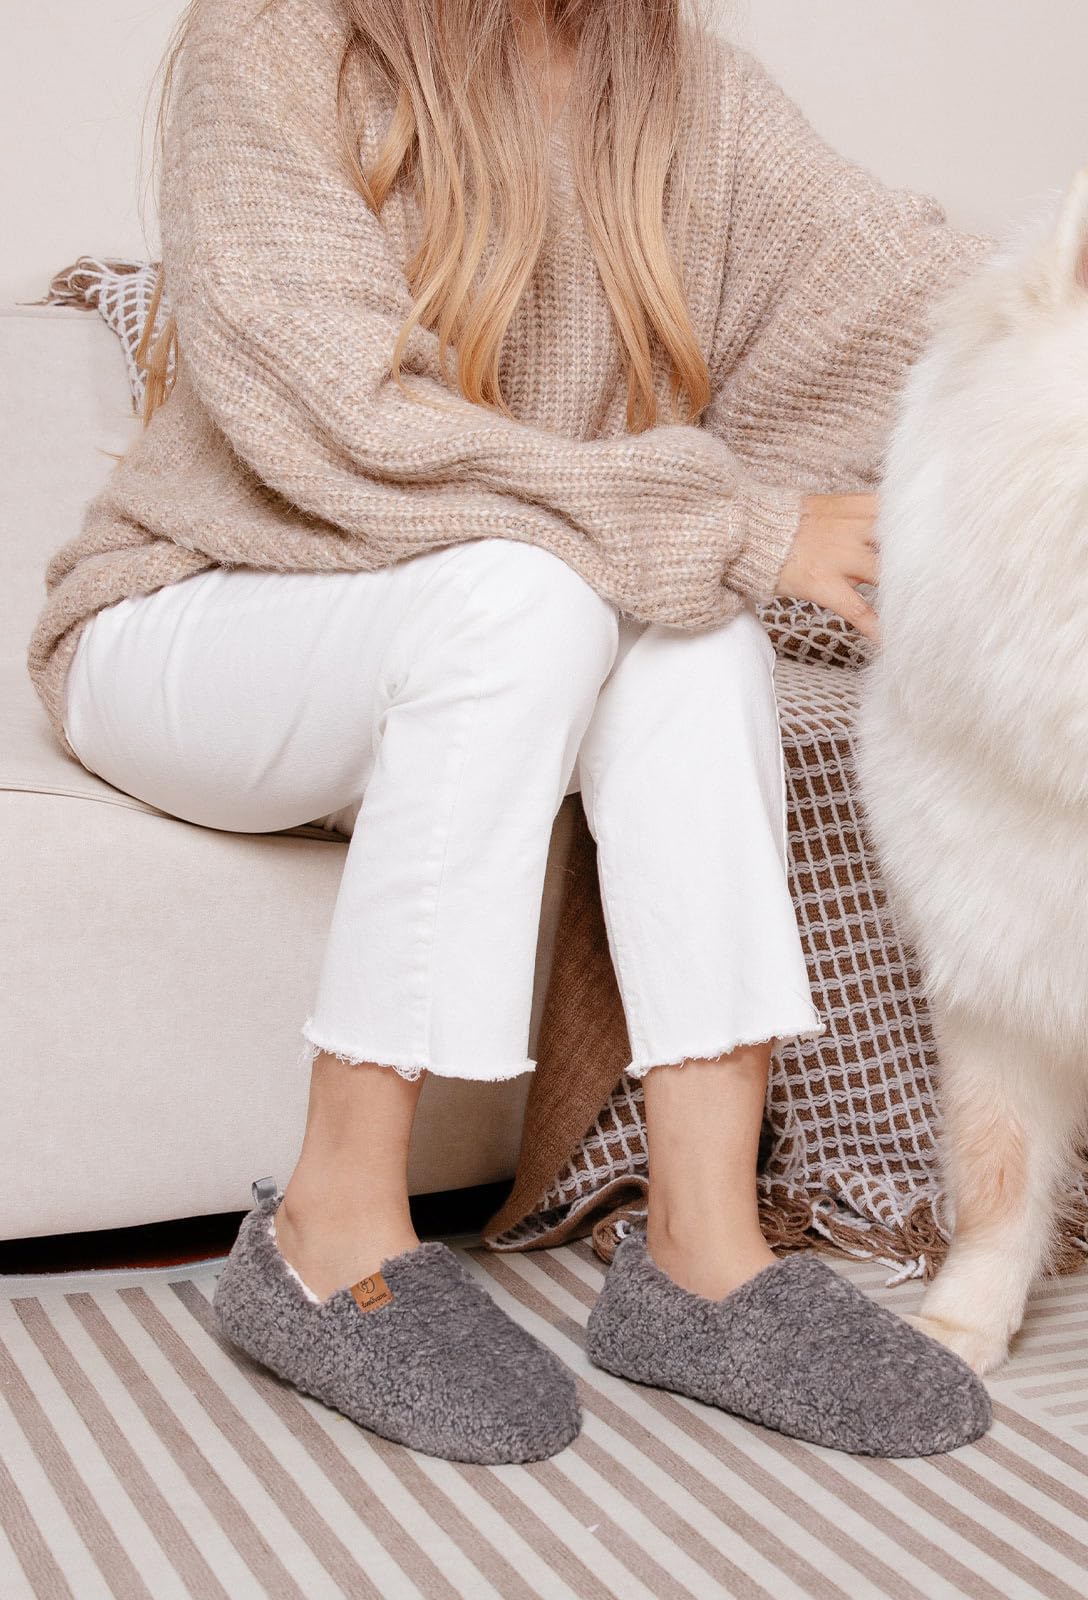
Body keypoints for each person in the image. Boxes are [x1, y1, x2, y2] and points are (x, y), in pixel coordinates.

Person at [28, 0, 993, 1463]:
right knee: (542, 593)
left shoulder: (684, 85)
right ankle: (327, 1231)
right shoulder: (277, 38)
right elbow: (339, 422)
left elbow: (929, 298)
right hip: (196, 618)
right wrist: (738, 522)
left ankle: (704, 1255)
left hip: (467, 654)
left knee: (693, 625)